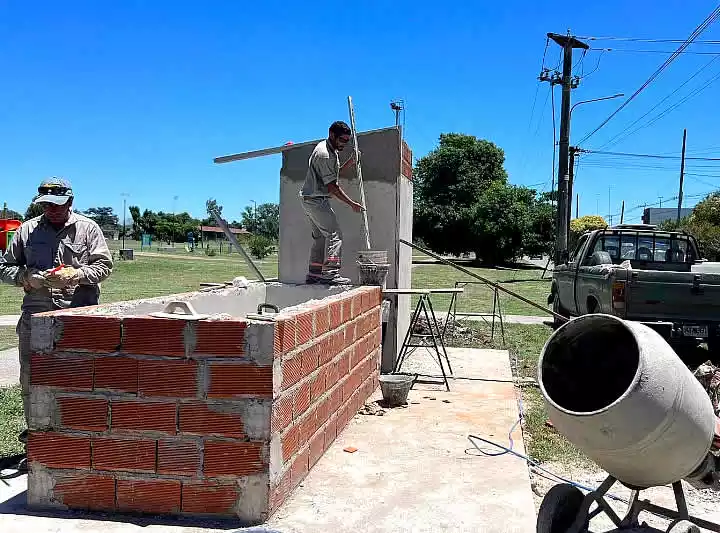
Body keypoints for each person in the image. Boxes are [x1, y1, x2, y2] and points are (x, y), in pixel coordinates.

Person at [0, 177, 113, 445]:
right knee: (32, 379)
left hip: (77, 317)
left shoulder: (88, 228)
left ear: (70, 202)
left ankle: (79, 439)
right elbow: (5, 267)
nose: (50, 209)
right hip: (35, 317)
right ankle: (37, 443)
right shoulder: (27, 230)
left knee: (81, 378)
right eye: (46, 205)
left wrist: (76, 274)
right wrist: (26, 276)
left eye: (56, 204)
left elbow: (104, 267)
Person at [300, 121, 365, 285]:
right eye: (342, 140)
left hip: (310, 199)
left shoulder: (330, 150)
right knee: (335, 235)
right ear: (331, 134)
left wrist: (349, 163)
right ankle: (330, 273)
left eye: (347, 141)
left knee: (320, 237)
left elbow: (332, 175)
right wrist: (352, 204)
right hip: (316, 200)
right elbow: (332, 187)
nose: (344, 143)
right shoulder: (324, 154)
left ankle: (314, 273)